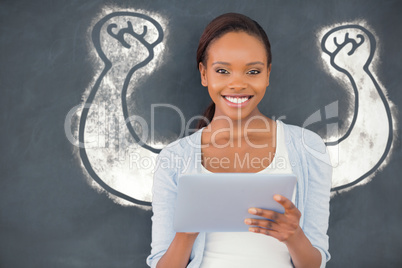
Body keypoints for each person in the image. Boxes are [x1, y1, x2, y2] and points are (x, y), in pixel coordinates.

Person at [146, 13, 332, 268]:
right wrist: (187, 231)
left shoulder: (308, 148)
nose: (237, 83)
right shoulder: (174, 158)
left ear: (267, 74)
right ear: (204, 74)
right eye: (222, 70)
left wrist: (294, 236)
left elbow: (315, 263)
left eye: (252, 71)